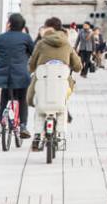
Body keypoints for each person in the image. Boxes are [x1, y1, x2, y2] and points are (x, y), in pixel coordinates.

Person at [27, 16, 81, 151]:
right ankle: (61, 134)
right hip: (62, 85)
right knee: (63, 106)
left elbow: (31, 65)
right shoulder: (67, 44)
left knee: (40, 106)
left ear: (49, 28)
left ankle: (38, 136)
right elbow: (78, 66)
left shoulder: (41, 43)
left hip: (42, 83)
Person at [0, 13, 34, 139]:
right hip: (21, 74)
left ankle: (2, 115)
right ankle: (23, 125)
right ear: (23, 25)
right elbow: (33, 53)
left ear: (9, 24)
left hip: (2, 74)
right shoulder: (26, 38)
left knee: (5, 94)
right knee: (22, 99)